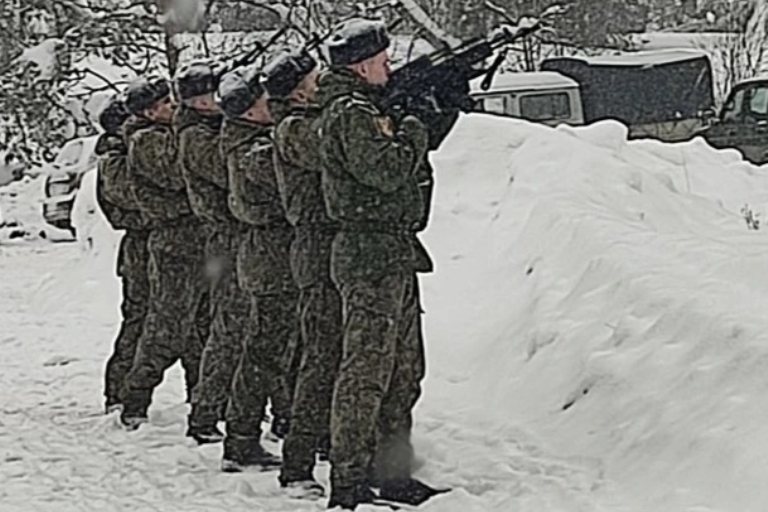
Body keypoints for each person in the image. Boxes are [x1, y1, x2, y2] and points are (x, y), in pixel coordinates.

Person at [316, 18, 443, 509]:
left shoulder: (366, 107)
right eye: (383, 61)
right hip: (369, 256)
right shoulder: (350, 113)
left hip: (391, 252)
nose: (389, 68)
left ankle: (392, 473)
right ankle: (348, 482)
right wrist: (414, 126)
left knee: (403, 373)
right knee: (366, 375)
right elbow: (386, 171)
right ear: (361, 65)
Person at [264, 49, 341, 499]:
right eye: (315, 79)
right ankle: (297, 463)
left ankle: (327, 440)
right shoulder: (294, 128)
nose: (323, 83)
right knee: (320, 360)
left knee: (331, 358)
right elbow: (332, 148)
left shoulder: (305, 120)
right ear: (297, 93)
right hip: (316, 250)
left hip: (329, 247)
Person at [218, 63, 299, 472]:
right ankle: (242, 439)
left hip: (273, 259)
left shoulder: (249, 141)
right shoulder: (252, 152)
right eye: (268, 101)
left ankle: (270, 428)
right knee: (265, 354)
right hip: (272, 263)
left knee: (276, 352)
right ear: (250, 111)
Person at [118, 76, 207, 430]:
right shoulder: (146, 141)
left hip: (199, 240)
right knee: (166, 330)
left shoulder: (168, 133)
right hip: (174, 243)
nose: (174, 108)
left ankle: (203, 398)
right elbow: (177, 173)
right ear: (149, 112)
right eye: (167, 104)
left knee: (203, 326)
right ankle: (135, 399)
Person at [173, 60, 249, 445]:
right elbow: (227, 171)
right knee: (229, 330)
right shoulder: (195, 137)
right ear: (199, 101)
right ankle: (205, 412)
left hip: (238, 238)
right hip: (227, 239)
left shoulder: (208, 129)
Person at [96, 95, 150, 414]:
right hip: (139, 252)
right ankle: (119, 394)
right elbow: (125, 207)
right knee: (139, 323)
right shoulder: (114, 159)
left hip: (158, 248)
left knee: (193, 323)